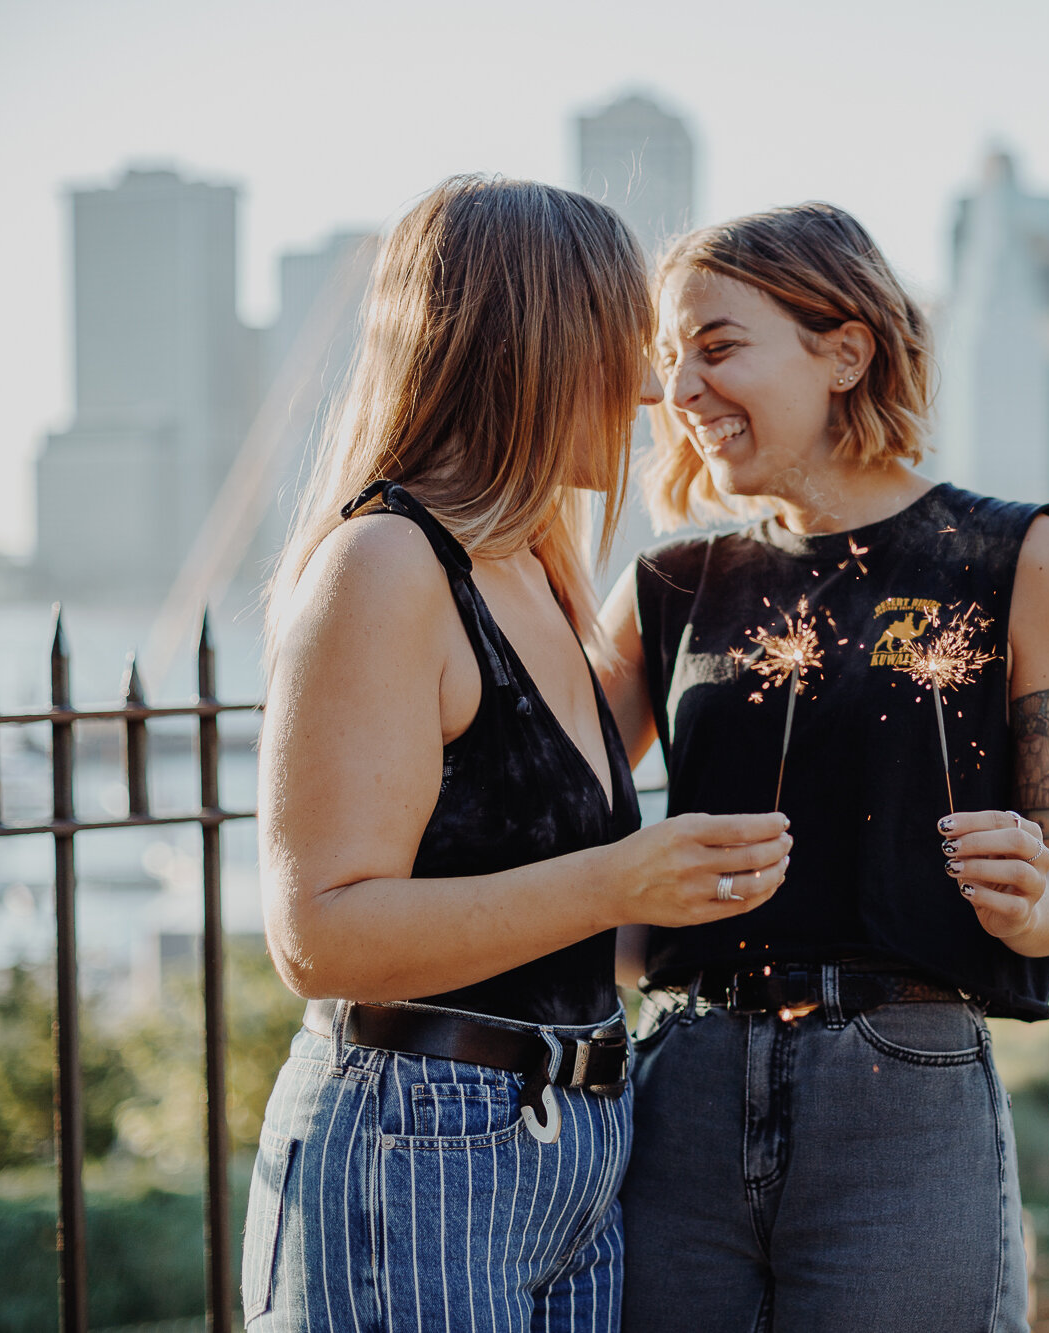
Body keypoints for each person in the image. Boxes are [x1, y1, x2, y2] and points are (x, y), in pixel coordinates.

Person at [243, 175, 791, 1331]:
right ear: (527, 350)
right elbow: (320, 934)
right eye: (618, 345)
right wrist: (623, 876)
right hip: (419, 1147)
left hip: (576, 1147)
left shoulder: (539, 567)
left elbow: (557, 909)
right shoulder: (385, 565)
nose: (651, 388)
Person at [598, 202, 1049, 1333]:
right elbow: (550, 807)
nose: (681, 390)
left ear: (844, 349)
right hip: (680, 1087)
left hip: (903, 1092)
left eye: (717, 347)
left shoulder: (1018, 558)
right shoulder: (667, 584)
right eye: (670, 361)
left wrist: (1030, 900)